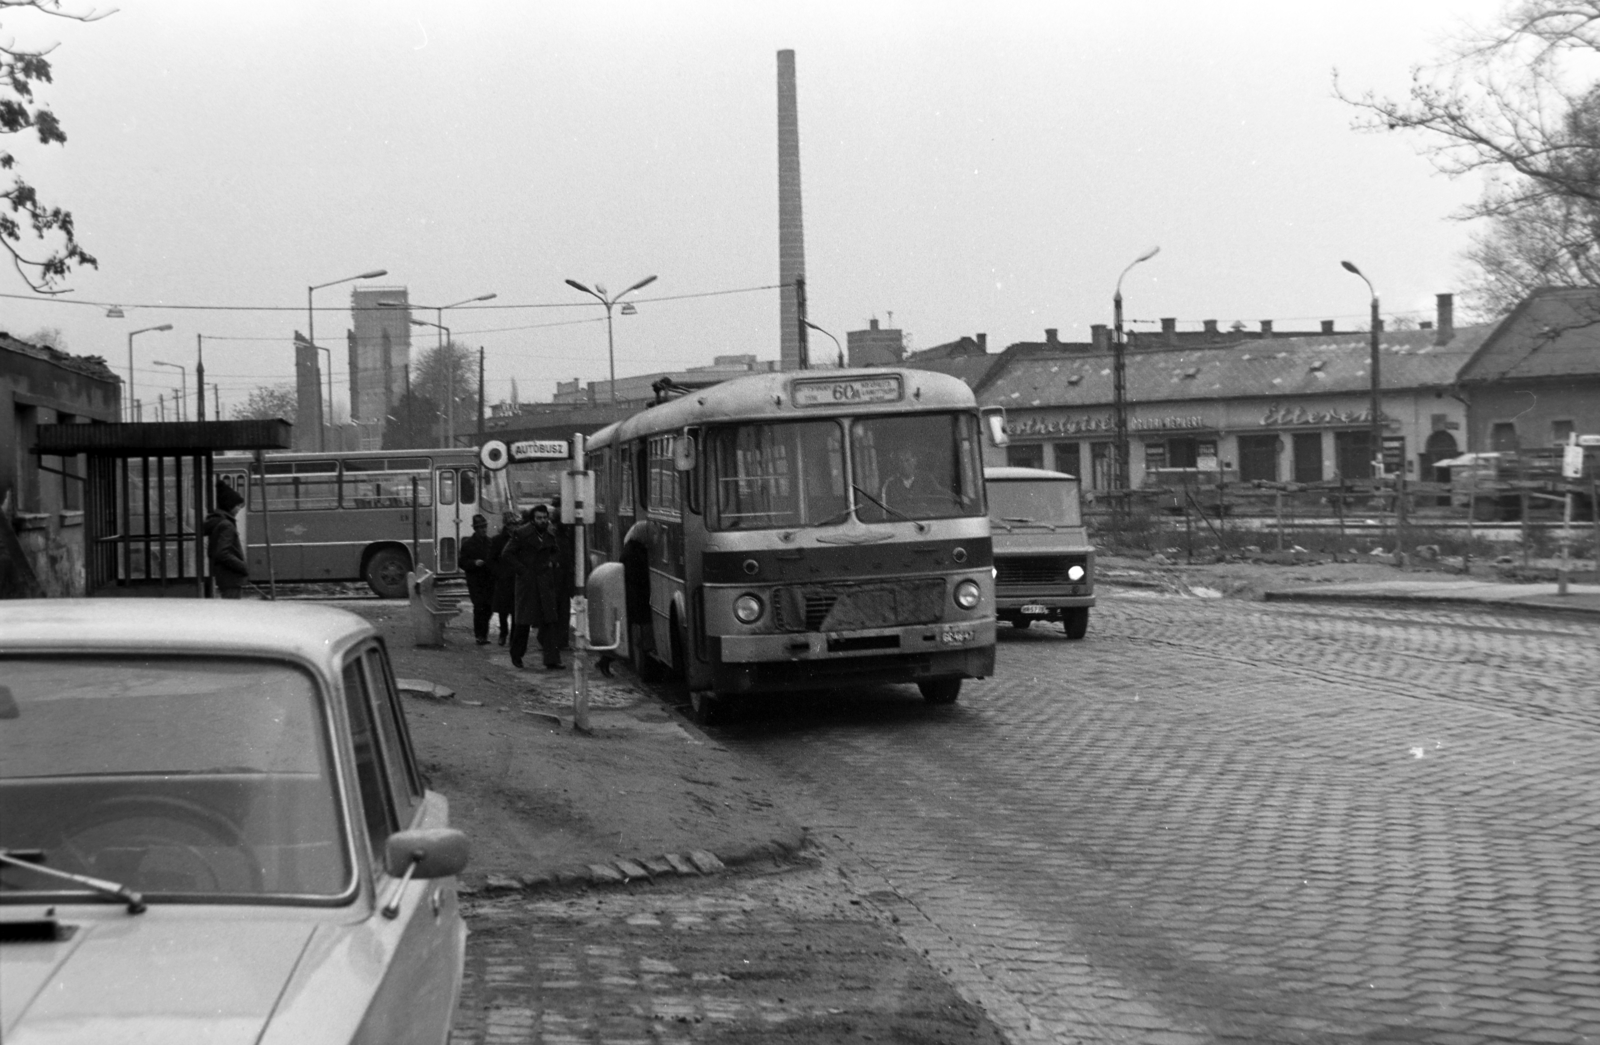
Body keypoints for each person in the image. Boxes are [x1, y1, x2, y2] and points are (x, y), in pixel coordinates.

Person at [504, 503, 568, 669]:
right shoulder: (521, 533)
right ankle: (516, 655)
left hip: (544, 581)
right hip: (528, 583)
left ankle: (552, 659)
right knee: (523, 622)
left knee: (549, 621)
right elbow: (507, 553)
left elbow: (555, 551)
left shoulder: (549, 533)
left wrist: (552, 562)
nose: (543, 521)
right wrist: (522, 571)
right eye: (539, 518)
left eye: (545, 518)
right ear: (533, 520)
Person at [204, 481, 249, 599]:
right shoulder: (227, 525)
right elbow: (223, 553)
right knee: (233, 611)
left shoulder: (218, 521)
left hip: (224, 577)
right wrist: (242, 566)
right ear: (229, 505)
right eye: (237, 505)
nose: (240, 508)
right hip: (231, 578)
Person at [459, 513, 495, 645]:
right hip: (475, 581)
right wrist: (474, 563)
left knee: (489, 608)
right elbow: (462, 562)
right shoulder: (468, 544)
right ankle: (480, 636)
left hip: (489, 580)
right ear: (475, 529)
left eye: (484, 527)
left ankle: (483, 635)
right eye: (480, 527)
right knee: (479, 607)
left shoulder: (490, 542)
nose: (483, 530)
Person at [489, 510, 519, 645]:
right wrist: (499, 573)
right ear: (506, 525)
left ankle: (513, 636)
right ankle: (503, 633)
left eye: (516, 524)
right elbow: (491, 560)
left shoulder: (520, 539)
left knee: (515, 610)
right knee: (503, 610)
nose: (514, 526)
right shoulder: (497, 540)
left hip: (516, 579)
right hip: (503, 579)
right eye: (512, 524)